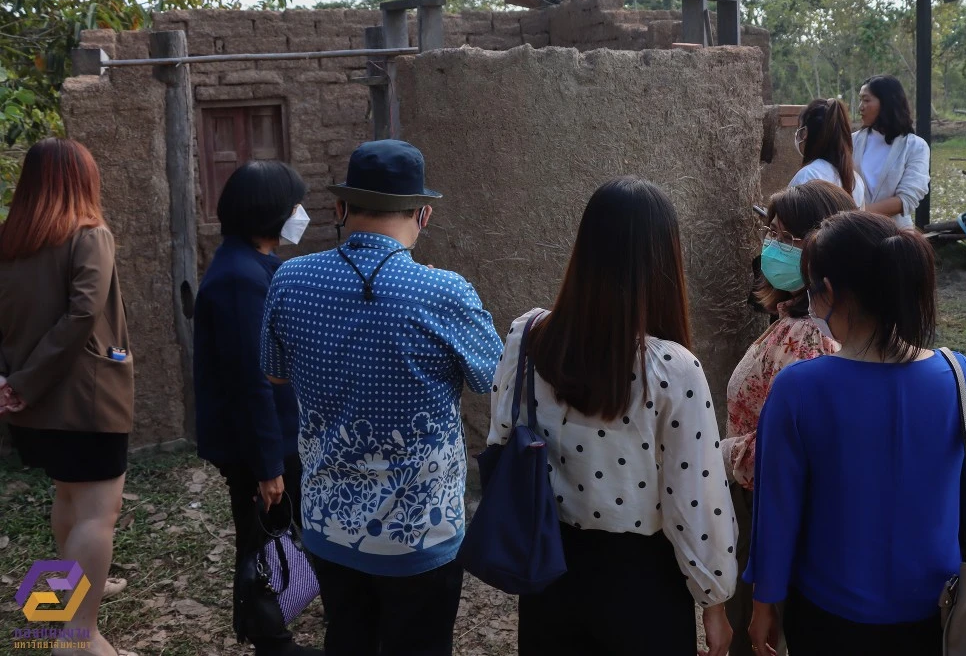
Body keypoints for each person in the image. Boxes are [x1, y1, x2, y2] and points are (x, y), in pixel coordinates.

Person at [260, 140, 503, 656]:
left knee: (347, 638)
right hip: (422, 533)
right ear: (424, 213)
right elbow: (492, 379)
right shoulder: (446, 292)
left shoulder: (290, 279)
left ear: (341, 209)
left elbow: (276, 375)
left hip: (328, 523)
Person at [745, 211, 966, 655]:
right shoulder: (961, 379)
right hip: (943, 615)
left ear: (828, 292)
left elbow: (777, 513)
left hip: (826, 619)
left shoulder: (798, 390)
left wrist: (765, 602)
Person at [490, 177, 736, 656]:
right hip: (641, 584)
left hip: (548, 569)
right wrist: (715, 603)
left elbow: (503, 437)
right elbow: (695, 500)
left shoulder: (528, 337)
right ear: (663, 260)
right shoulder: (672, 368)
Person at [0, 139, 133, 656]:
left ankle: (66, 599)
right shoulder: (89, 235)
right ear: (83, 180)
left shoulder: (10, 241)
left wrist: (12, 382)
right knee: (100, 511)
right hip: (86, 400)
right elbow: (82, 315)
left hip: (30, 405)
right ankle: (80, 637)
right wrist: (24, 382)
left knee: (69, 498)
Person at [721, 181, 855, 656]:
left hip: (771, 512)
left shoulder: (807, 338)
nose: (770, 247)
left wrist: (722, 451)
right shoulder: (797, 322)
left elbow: (789, 446)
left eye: (782, 237)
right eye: (770, 233)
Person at [193, 161, 320, 656]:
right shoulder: (239, 279)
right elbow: (253, 382)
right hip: (257, 442)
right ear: (269, 214)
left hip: (274, 434)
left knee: (282, 529)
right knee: (262, 534)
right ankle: (269, 637)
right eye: (294, 205)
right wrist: (269, 467)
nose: (301, 214)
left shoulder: (255, 265)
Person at [853, 75, 931, 229]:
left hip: (896, 235)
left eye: (867, 100)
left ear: (887, 103)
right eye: (860, 100)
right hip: (854, 232)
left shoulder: (915, 146)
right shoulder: (851, 142)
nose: (861, 107)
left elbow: (907, 199)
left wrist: (857, 214)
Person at [789, 98, 867, 207]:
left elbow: (790, 220)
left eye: (799, 128)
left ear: (805, 132)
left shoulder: (807, 176)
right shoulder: (856, 181)